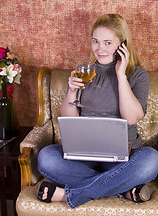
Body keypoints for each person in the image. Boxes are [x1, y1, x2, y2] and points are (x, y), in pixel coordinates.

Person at [37, 14, 158, 208]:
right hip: (84, 157)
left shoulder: (137, 75)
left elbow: (132, 118)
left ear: (122, 45)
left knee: (152, 159)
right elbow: (68, 119)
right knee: (46, 157)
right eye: (96, 41)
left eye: (108, 42)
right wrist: (72, 91)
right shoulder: (84, 72)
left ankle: (69, 194)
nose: (99, 49)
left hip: (123, 159)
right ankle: (122, 189)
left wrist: (120, 75)